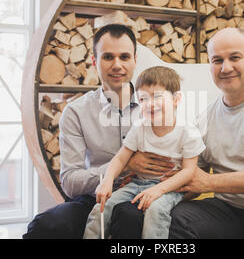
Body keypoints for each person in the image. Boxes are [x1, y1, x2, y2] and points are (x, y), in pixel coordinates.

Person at [116, 27, 244, 239]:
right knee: (170, 217)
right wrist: (150, 185)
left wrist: (210, 183)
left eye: (235, 57)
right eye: (217, 60)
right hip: (228, 207)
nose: (226, 67)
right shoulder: (206, 118)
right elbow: (192, 178)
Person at [23, 24, 174, 239]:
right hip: (95, 198)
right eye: (108, 57)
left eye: (124, 57)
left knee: (129, 218)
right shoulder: (76, 112)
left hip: (144, 194)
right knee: (46, 225)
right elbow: (71, 183)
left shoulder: (157, 105)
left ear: (135, 61)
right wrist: (124, 166)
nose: (117, 65)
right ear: (95, 62)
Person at [83, 66, 205, 239]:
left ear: (176, 99)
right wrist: (107, 181)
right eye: (143, 99)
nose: (150, 104)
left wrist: (159, 190)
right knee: (103, 206)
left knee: (155, 210)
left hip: (170, 189)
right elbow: (120, 158)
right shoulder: (140, 127)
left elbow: (188, 171)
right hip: (136, 183)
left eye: (157, 97)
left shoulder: (188, 132)